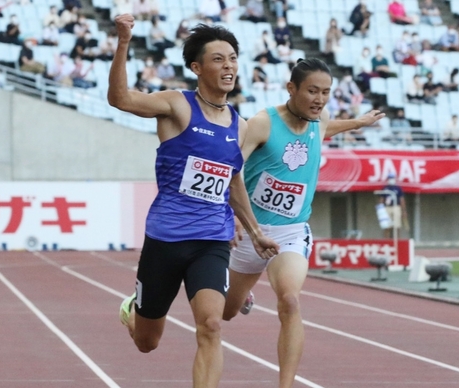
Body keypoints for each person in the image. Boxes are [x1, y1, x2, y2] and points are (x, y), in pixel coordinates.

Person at [108, 14, 279, 388]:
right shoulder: (177, 106)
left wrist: (255, 231)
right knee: (147, 343)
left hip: (211, 240)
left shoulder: (240, 125)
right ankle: (133, 312)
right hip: (166, 238)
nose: (229, 65)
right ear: (197, 68)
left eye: (233, 58)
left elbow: (234, 185)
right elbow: (120, 99)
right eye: (218, 59)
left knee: (212, 325)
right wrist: (123, 43)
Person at [222, 58, 385, 388]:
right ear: (291, 89)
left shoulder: (319, 118)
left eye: (325, 92)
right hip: (251, 231)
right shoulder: (261, 124)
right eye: (312, 91)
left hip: (292, 232)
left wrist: (358, 123)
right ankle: (244, 296)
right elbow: (229, 170)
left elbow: (326, 126)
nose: (319, 99)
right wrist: (232, 218)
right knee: (225, 312)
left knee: (290, 301)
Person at [379, 172, 408, 238]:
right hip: (387, 207)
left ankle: (398, 242)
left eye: (392, 178)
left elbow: (402, 200)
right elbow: (381, 199)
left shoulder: (398, 188)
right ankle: (387, 242)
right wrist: (381, 210)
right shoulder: (385, 188)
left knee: (397, 226)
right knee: (387, 226)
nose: (391, 179)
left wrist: (404, 211)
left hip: (396, 207)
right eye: (390, 178)